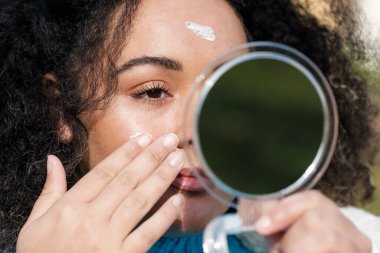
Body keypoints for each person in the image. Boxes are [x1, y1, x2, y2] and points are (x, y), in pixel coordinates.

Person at [0, 0, 379, 252]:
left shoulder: (346, 238)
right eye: (152, 92)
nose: (200, 130)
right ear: (61, 111)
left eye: (228, 92)